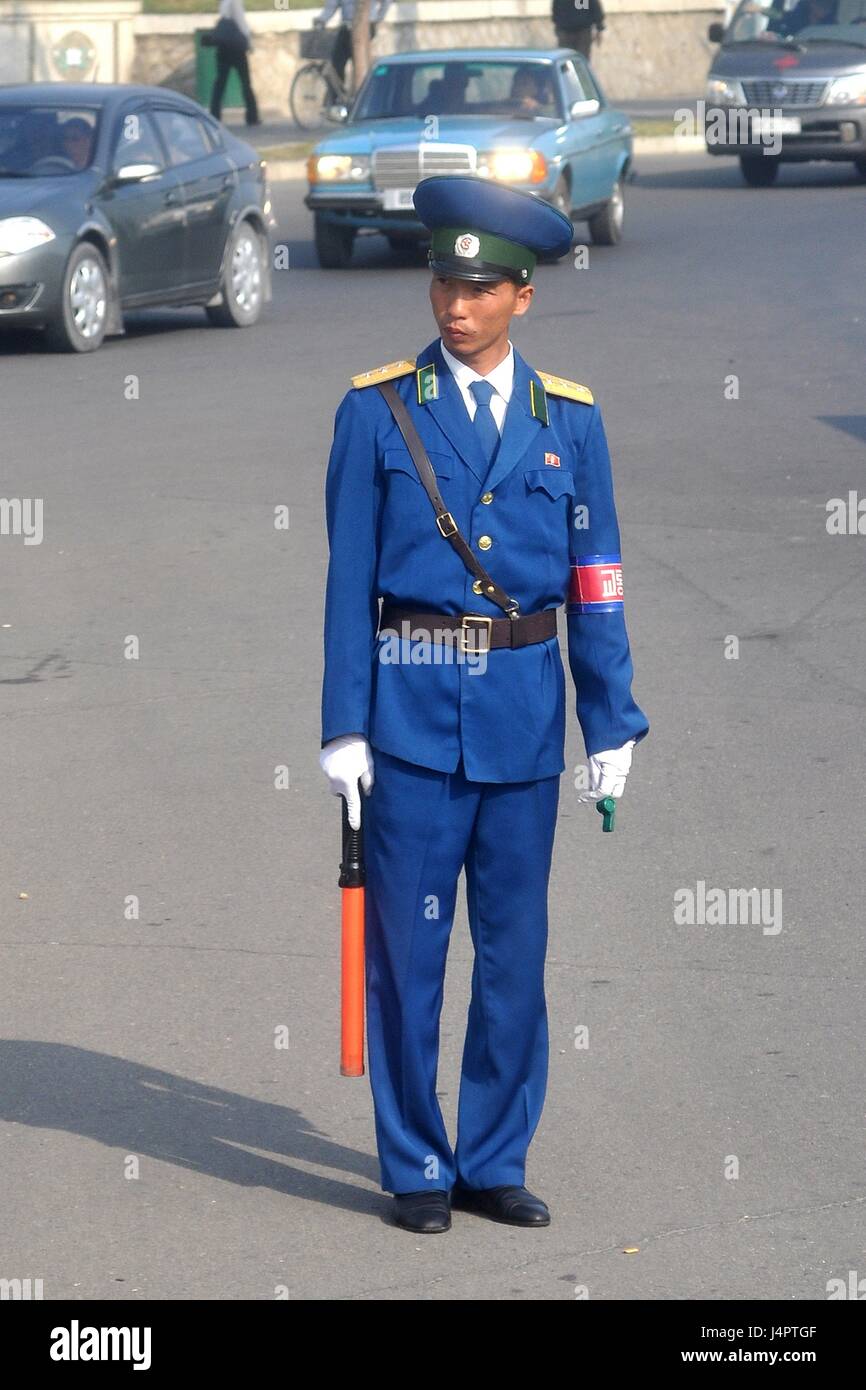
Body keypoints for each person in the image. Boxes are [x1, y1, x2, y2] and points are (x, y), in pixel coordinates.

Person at [319, 175, 648, 1234]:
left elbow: (595, 575)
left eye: (476, 287)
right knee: (408, 961)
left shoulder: (572, 422)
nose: (452, 304)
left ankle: (493, 1155)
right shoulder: (376, 412)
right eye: (441, 282)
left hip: (521, 723)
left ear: (521, 297)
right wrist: (342, 725)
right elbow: (346, 584)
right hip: (410, 725)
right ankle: (416, 1162)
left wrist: (612, 723)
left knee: (513, 957)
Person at [313, 0, 392, 91]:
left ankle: (361, 93)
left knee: (360, 62)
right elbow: (331, 5)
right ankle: (338, 96)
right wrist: (322, 19)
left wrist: (378, 18)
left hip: (366, 26)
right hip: (346, 26)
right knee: (337, 63)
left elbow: (386, 2)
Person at [210, 0, 260, 127]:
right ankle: (252, 116)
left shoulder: (223, 2)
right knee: (245, 83)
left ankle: (214, 115)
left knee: (220, 83)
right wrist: (249, 42)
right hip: (236, 48)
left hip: (223, 47)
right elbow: (240, 21)